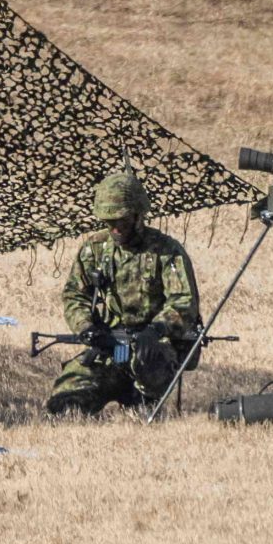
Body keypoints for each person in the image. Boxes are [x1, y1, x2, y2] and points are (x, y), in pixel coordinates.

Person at [45, 168, 204, 416]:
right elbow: (75, 295)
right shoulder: (95, 249)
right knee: (64, 406)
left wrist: (156, 330)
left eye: (123, 221)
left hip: (152, 348)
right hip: (110, 347)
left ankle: (142, 400)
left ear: (138, 216)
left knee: (145, 373)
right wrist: (86, 328)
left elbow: (184, 302)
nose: (116, 228)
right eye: (110, 222)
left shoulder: (166, 251)